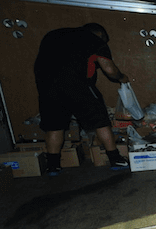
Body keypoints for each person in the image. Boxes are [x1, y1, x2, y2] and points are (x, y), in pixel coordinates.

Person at [34, 23, 130, 175]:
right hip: (77, 85)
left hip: (47, 86)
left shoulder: (52, 34)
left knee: (54, 126)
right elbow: (110, 70)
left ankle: (52, 166)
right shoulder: (95, 40)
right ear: (99, 34)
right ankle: (115, 159)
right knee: (101, 121)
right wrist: (122, 77)